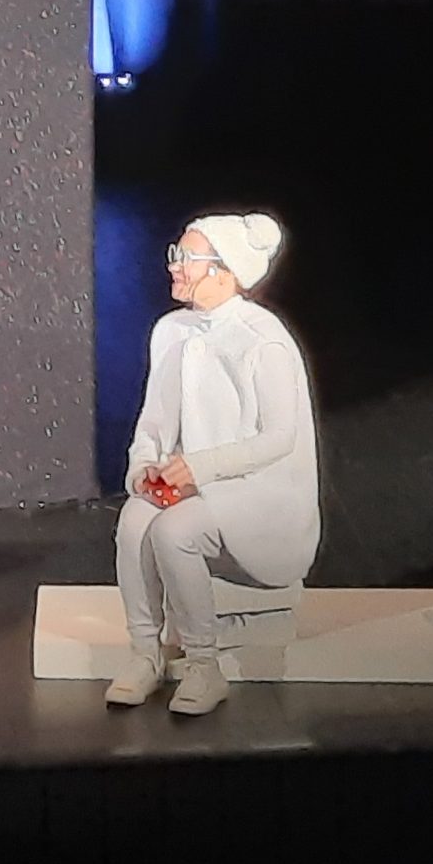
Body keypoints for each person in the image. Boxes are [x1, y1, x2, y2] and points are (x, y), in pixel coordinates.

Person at [106, 212, 319, 716]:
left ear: (223, 271)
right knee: (134, 521)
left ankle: (204, 665)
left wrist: (200, 466)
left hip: (260, 491)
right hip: (198, 484)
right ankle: (145, 653)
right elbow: (154, 422)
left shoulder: (263, 340)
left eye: (187, 257)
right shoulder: (171, 331)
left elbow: (279, 438)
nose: (174, 266)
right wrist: (145, 466)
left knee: (174, 532)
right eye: (176, 255)